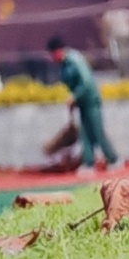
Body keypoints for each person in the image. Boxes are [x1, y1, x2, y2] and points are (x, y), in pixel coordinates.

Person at [46, 38, 115, 172]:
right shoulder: (63, 64)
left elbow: (86, 81)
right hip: (81, 103)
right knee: (84, 133)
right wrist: (73, 100)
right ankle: (88, 163)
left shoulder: (75, 60)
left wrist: (74, 96)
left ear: (58, 51)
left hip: (91, 100)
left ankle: (113, 159)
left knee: (96, 131)